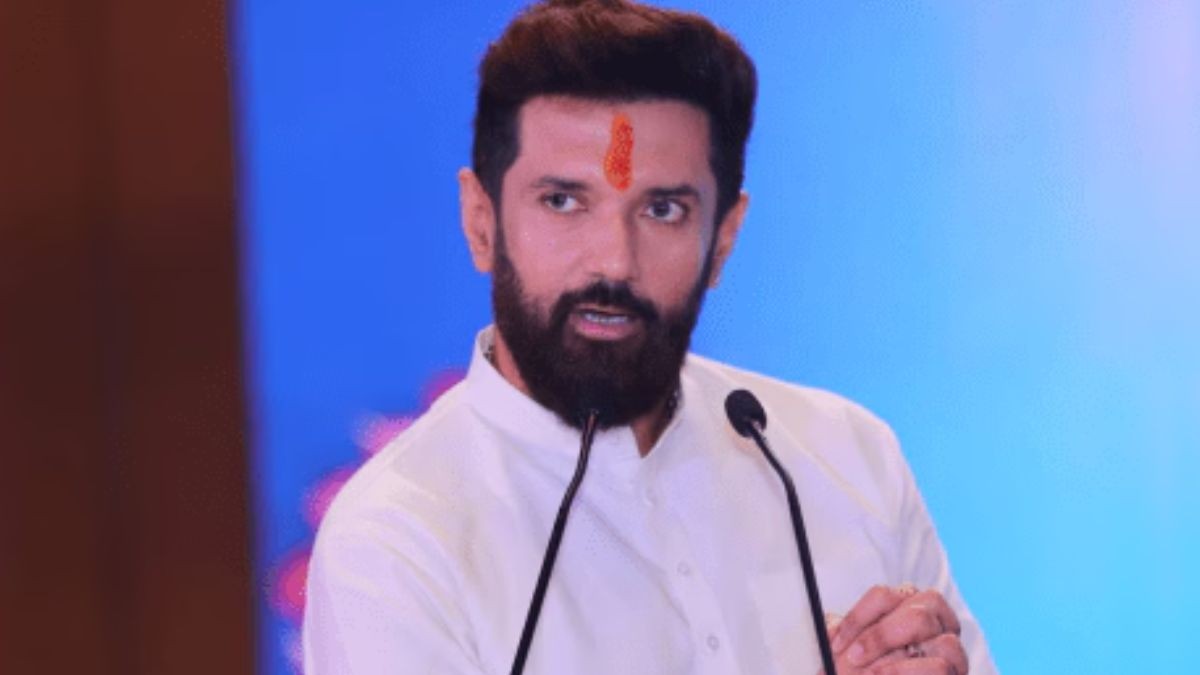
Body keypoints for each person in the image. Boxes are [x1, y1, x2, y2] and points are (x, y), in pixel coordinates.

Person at [303, 1, 997, 673]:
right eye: (563, 201)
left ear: (723, 239)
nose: (614, 261)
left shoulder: (847, 457)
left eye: (663, 209)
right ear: (481, 221)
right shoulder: (398, 538)